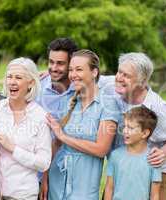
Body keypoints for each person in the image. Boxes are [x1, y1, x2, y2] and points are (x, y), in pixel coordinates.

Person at [37, 38, 114, 200]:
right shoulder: (69, 101)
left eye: (78, 69)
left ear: (94, 72)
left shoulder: (108, 104)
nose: (73, 75)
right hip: (56, 183)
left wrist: (64, 136)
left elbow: (101, 149)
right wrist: (44, 177)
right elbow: (56, 143)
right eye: (71, 70)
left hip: (83, 188)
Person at [102, 52, 166, 200]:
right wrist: (48, 76)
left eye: (126, 75)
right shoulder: (111, 86)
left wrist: (163, 152)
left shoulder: (156, 106)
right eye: (119, 72)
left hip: (150, 170)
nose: (119, 78)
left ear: (142, 81)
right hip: (121, 164)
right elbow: (87, 76)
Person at [0, 57, 52, 200]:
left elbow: (44, 163)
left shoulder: (40, 117)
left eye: (18, 77)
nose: (12, 82)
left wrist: (13, 148)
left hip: (24, 195)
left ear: (30, 83)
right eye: (9, 77)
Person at [104, 106, 161, 200]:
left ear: (145, 133)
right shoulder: (115, 156)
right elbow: (109, 188)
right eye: (125, 126)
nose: (125, 131)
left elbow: (154, 195)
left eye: (130, 128)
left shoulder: (153, 159)